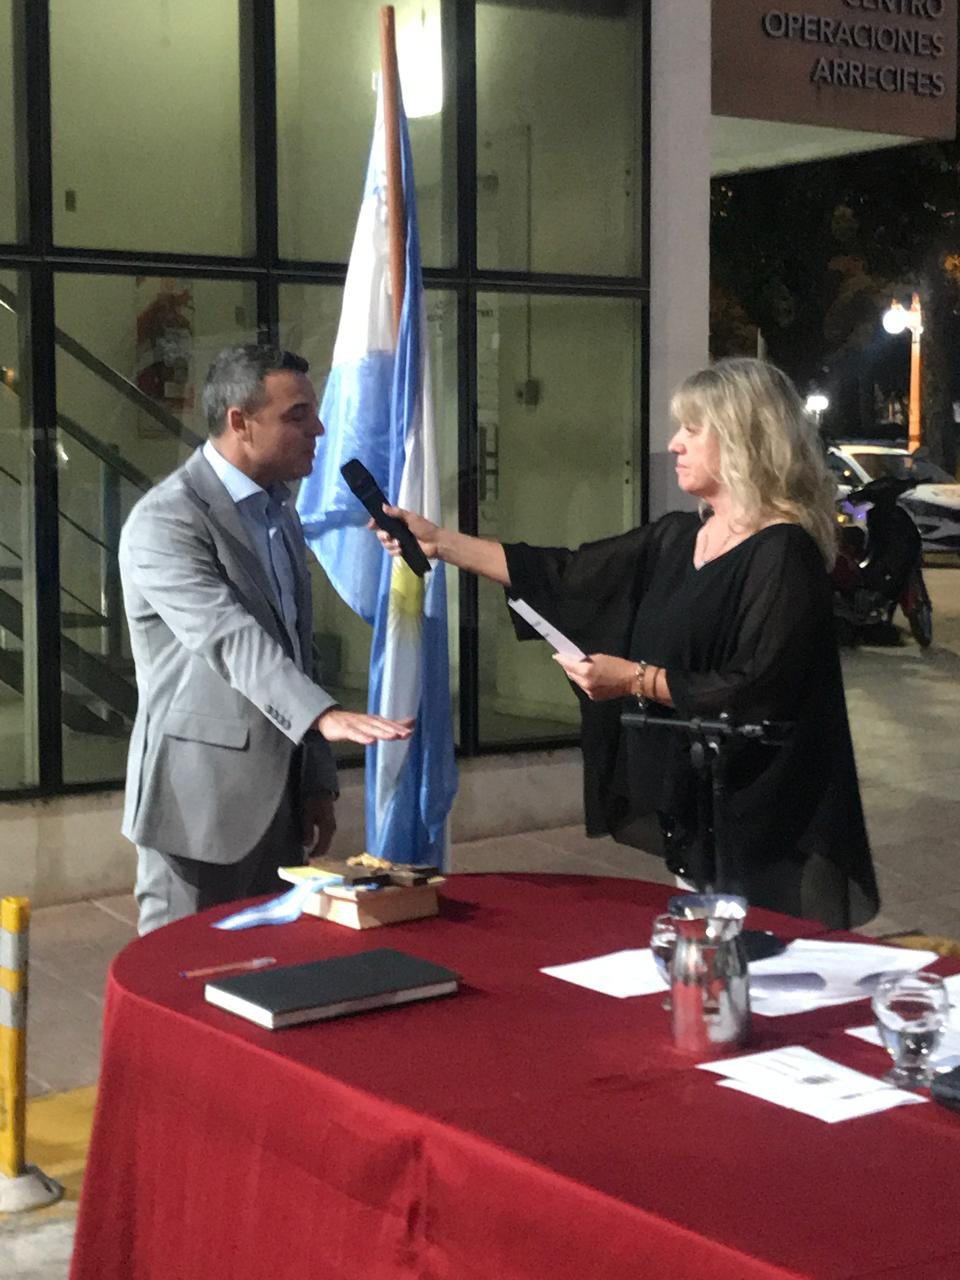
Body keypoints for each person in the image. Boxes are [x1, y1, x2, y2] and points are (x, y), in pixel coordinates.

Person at [374, 357, 879, 928]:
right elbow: (566, 575)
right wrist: (440, 542)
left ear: (744, 440)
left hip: (765, 817)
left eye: (692, 430)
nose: (675, 444)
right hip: (698, 807)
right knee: (706, 949)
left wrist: (636, 680)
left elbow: (758, 686)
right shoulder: (677, 537)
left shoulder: (782, 552)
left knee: (758, 956)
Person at [119, 344, 412, 934]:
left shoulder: (280, 512)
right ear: (240, 422)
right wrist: (321, 716)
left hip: (281, 807)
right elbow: (229, 636)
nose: (319, 430)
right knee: (185, 975)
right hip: (197, 810)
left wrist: (317, 780)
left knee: (271, 971)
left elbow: (299, 651)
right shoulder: (166, 520)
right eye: (297, 416)